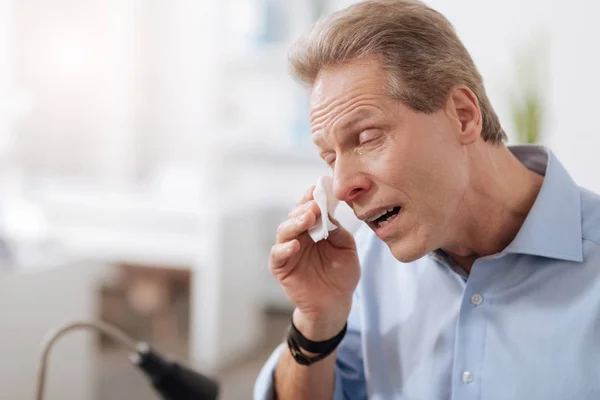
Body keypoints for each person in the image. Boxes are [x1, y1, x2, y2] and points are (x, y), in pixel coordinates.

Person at [254, 1, 600, 399]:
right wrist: (316, 321)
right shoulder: (361, 266)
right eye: (329, 158)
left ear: (463, 115)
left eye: (366, 138)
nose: (342, 185)